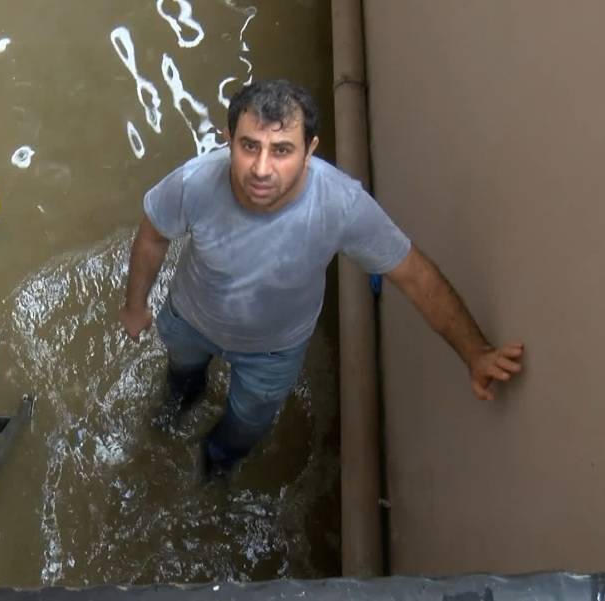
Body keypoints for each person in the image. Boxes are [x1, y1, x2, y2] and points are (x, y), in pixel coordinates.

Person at [119, 79, 524, 478]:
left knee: (241, 432)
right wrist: (135, 306)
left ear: (310, 150)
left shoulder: (341, 205)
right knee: (179, 386)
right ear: (228, 141)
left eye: (281, 151)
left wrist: (475, 353)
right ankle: (171, 417)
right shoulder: (194, 182)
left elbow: (416, 275)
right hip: (190, 320)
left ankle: (213, 470)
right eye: (249, 147)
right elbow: (154, 234)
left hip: (272, 352)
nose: (262, 169)